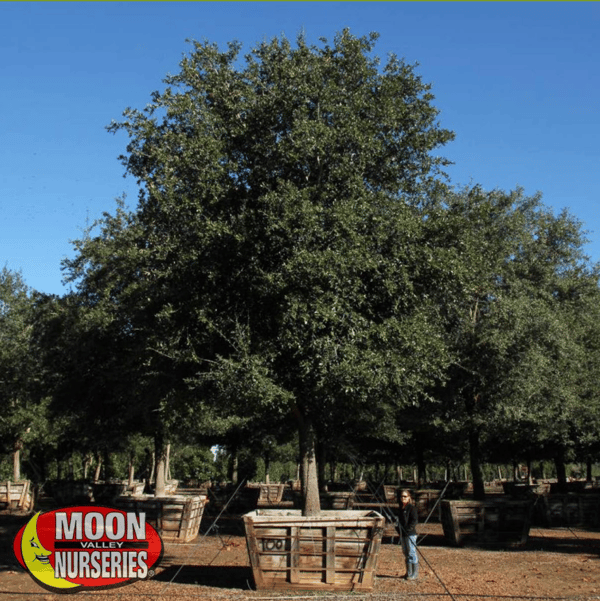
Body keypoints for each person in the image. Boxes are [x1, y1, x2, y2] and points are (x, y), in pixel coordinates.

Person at [396, 488, 419, 580]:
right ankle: (408, 573)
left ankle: (414, 573)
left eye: (405, 496)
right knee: (405, 552)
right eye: (401, 496)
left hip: (411, 534)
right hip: (403, 534)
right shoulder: (400, 509)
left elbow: (414, 521)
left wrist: (408, 529)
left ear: (409, 497)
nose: (403, 498)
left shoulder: (412, 508)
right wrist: (398, 530)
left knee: (411, 552)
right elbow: (398, 522)